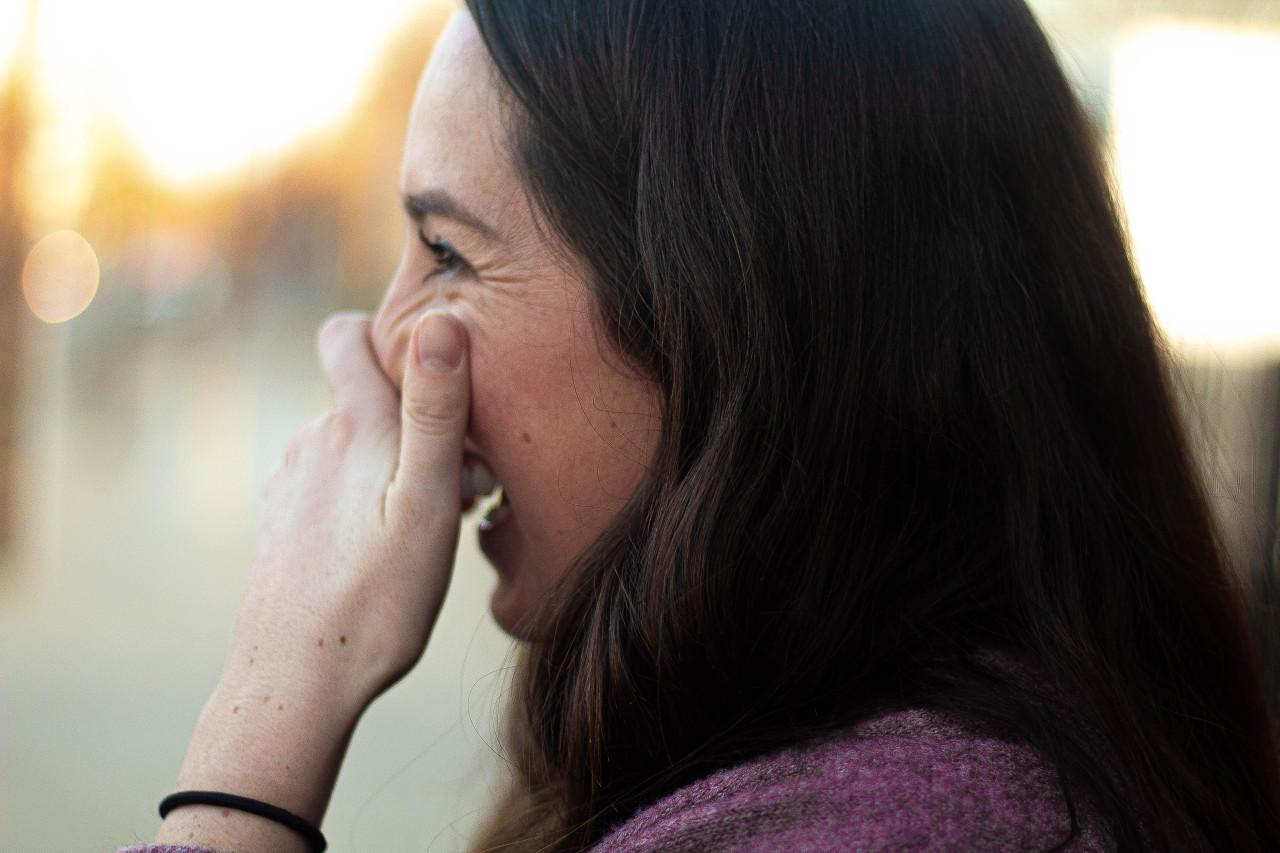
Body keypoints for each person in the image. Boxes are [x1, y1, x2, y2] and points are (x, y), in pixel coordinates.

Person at [120, 0, 1280, 851]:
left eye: (446, 253)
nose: (381, 341)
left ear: (723, 317)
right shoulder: (892, 760)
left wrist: (256, 743)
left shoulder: (874, 829)